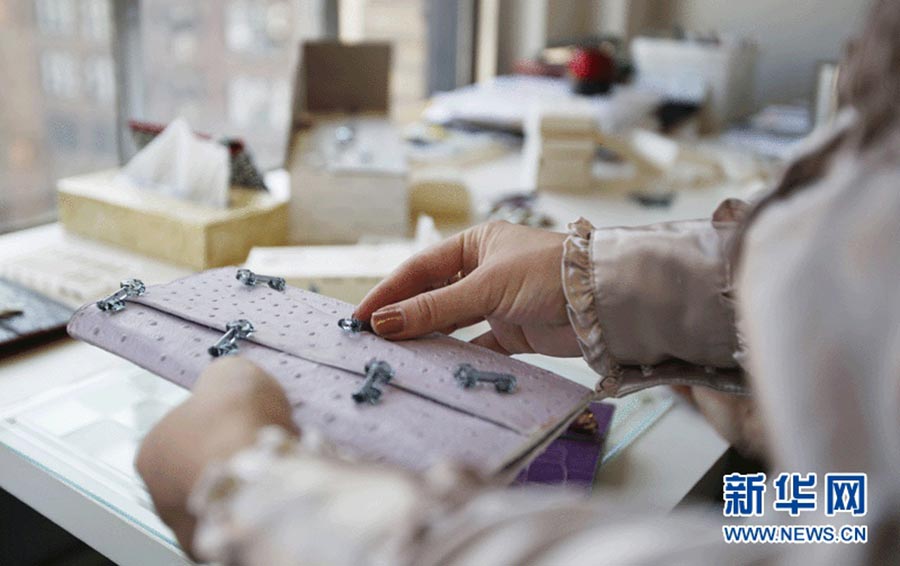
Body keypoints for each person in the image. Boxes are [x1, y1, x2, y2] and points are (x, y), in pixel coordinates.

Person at [136, 1, 900, 563]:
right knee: (757, 503)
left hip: (827, 516)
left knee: (744, 505)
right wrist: (597, 285)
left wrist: (253, 494)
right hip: (831, 506)